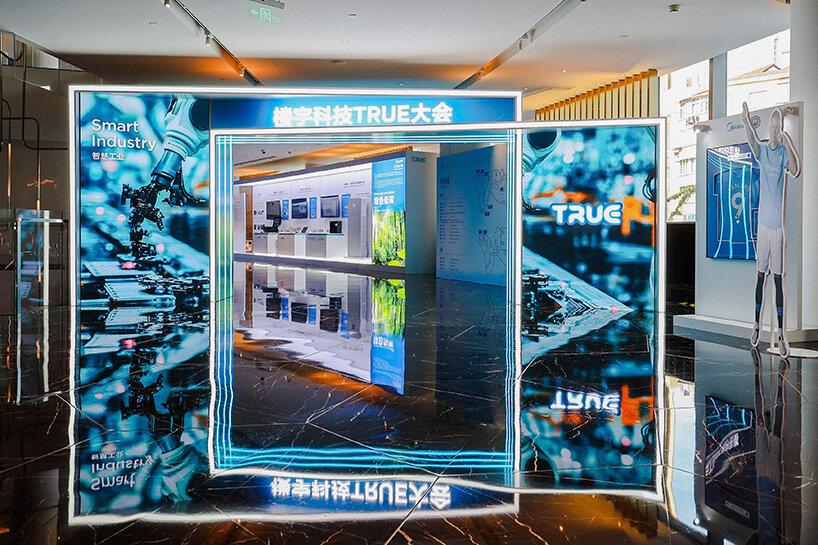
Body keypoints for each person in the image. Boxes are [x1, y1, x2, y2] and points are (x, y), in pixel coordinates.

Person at [743, 103, 800, 357]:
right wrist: (746, 122)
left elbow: (795, 170)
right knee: (760, 276)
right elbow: (753, 142)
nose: (775, 131)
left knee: (778, 279)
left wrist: (789, 145)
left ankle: (781, 335)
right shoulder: (764, 151)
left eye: (778, 128)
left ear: (782, 129)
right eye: (772, 127)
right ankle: (756, 326)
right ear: (768, 128)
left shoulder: (783, 153)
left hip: (777, 230)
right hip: (763, 228)